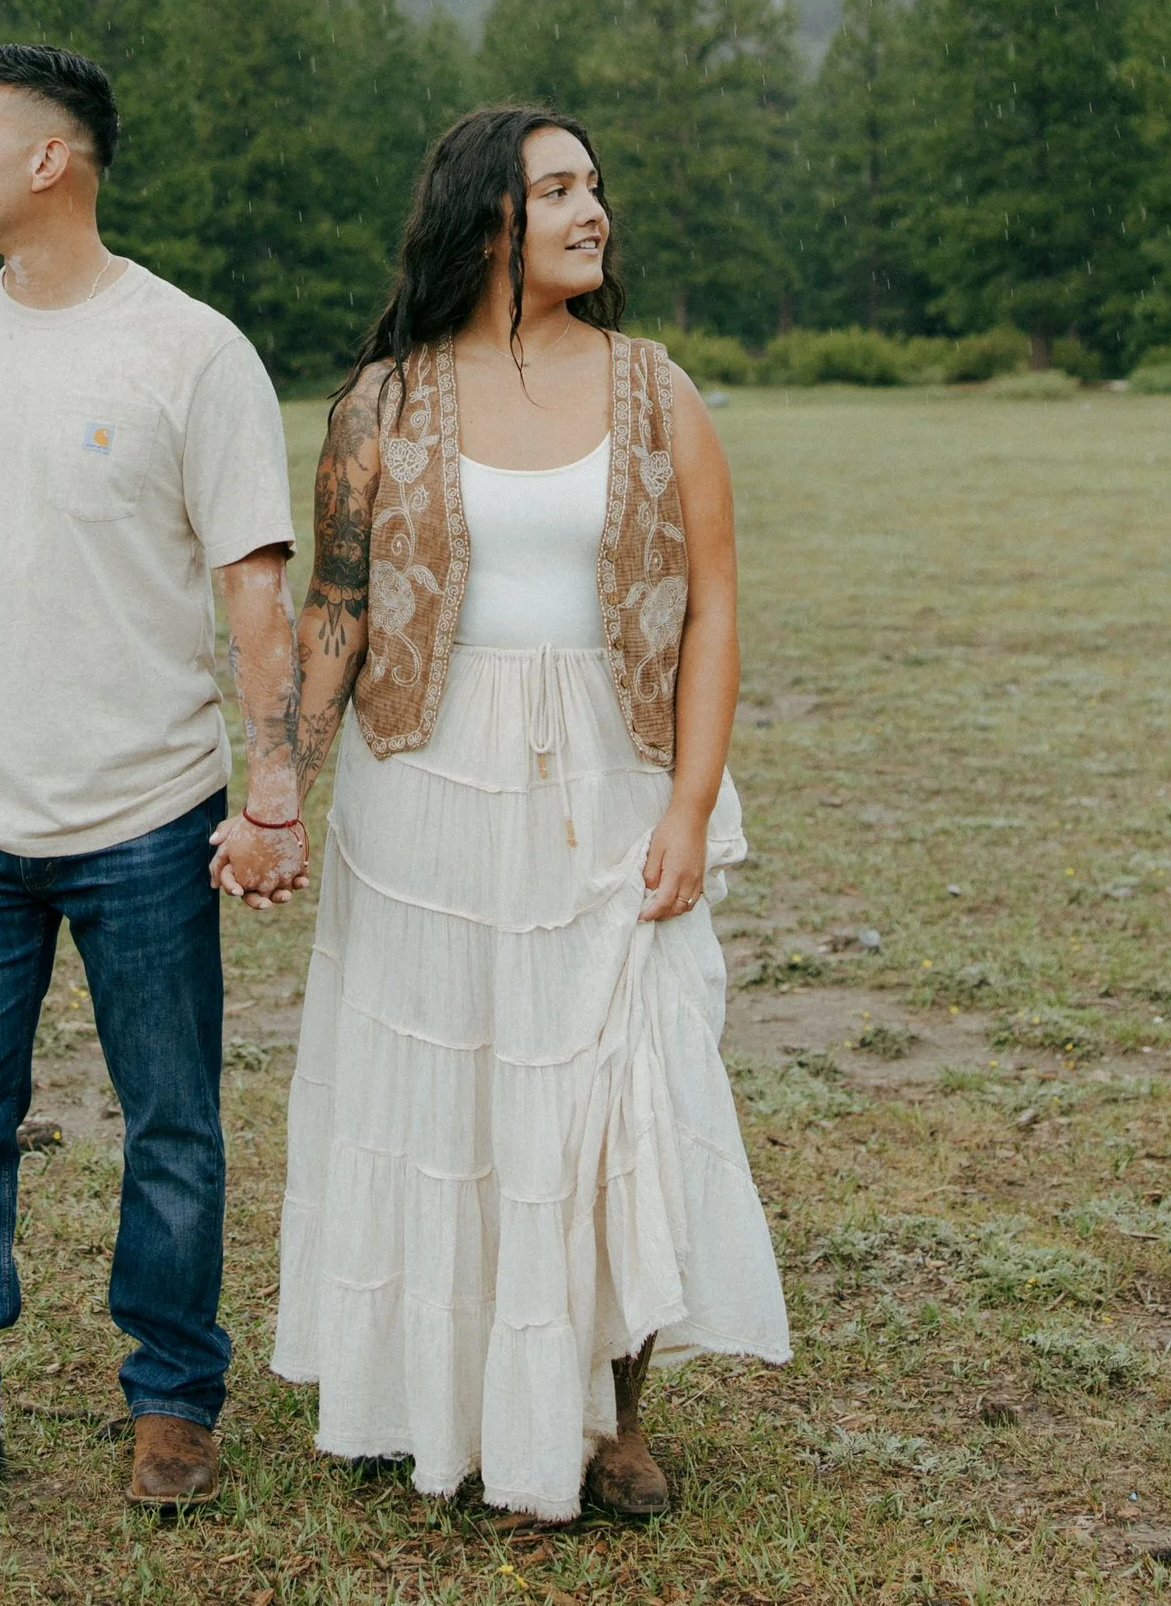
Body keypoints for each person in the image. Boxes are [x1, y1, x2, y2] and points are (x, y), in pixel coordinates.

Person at [273, 102, 788, 1525]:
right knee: (457, 1085)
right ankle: (444, 1396)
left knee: (614, 1079)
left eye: (596, 185)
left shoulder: (653, 386)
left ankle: (614, 1420)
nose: (592, 208)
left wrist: (689, 802)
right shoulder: (383, 399)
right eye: (556, 186)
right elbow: (338, 603)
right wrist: (277, 791)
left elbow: (718, 604)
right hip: (425, 781)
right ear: (485, 215)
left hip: (609, 778)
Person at [0, 43, 308, 1539]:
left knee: (172, 1121)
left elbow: (255, 589)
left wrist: (274, 781)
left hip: (152, 814)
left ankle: (173, 1401)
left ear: (53, 159)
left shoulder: (192, 350)